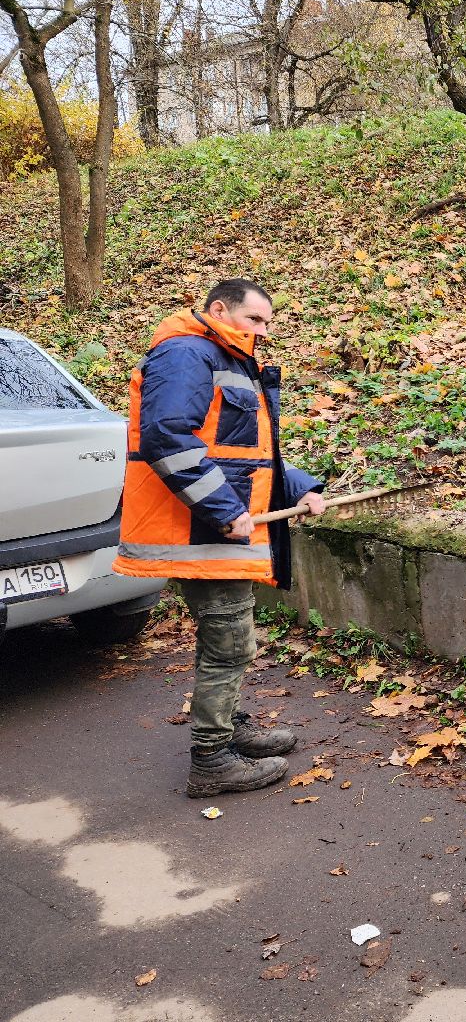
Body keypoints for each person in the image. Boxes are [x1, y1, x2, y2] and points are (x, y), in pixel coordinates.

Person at [114, 279, 326, 796]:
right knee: (229, 646)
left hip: (217, 530)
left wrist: (304, 488)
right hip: (202, 533)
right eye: (256, 320)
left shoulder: (226, 358)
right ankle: (212, 760)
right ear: (218, 310)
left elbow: (244, 454)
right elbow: (167, 438)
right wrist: (225, 510)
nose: (264, 331)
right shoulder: (188, 354)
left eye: (269, 322)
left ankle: (228, 729)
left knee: (230, 642)